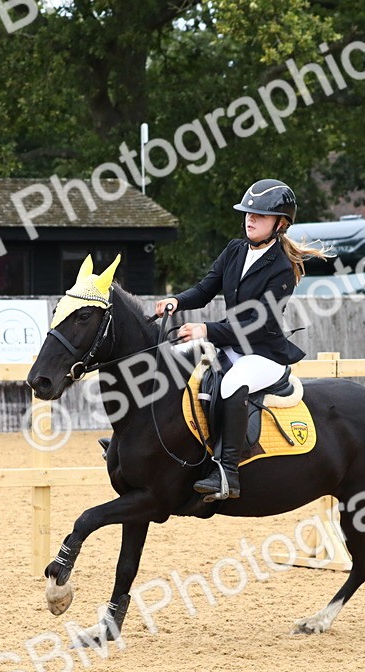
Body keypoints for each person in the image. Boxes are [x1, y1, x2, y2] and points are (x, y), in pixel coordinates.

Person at [153, 179, 325, 501]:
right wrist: (178, 300)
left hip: (264, 355)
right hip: (232, 347)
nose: (250, 219)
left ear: (280, 224)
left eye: (259, 215)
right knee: (176, 359)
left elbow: (255, 324)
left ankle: (227, 472)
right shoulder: (235, 250)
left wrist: (205, 330)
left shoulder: (283, 269)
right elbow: (206, 289)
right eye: (248, 213)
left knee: (232, 384)